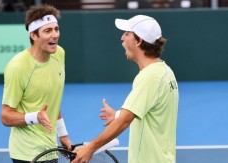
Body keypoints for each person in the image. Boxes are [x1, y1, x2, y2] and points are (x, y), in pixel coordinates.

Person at [72, 15, 179, 163]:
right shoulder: (165, 71)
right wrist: (117, 115)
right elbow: (148, 111)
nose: (122, 38)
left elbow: (124, 121)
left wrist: (90, 148)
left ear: (139, 40)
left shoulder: (149, 77)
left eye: (127, 34)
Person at [0, 5, 72, 163]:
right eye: (48, 31)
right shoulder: (18, 67)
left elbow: (51, 101)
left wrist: (63, 135)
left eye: (56, 29)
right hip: (27, 153)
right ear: (33, 35)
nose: (55, 35)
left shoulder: (59, 53)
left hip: (50, 148)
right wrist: (35, 117)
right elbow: (5, 116)